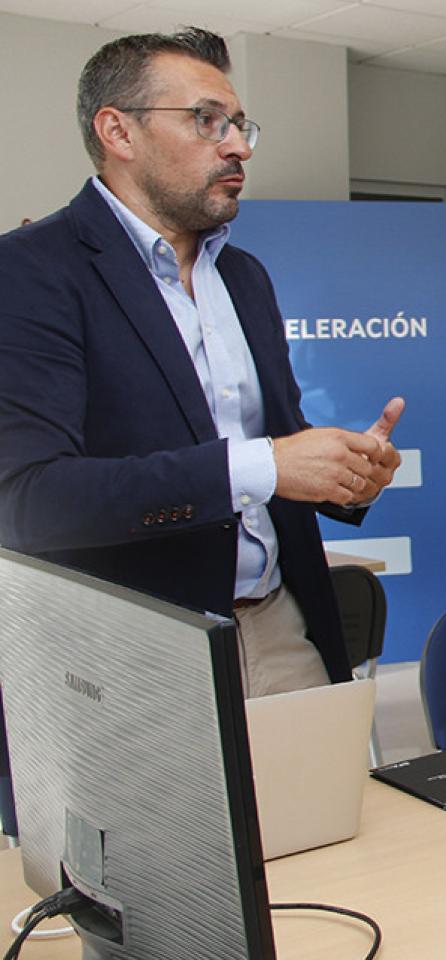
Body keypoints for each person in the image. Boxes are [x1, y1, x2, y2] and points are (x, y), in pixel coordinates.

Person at [0, 27, 404, 699]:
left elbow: (280, 444)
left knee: (318, 807)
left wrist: (344, 474)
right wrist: (264, 464)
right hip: (129, 659)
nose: (238, 144)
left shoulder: (244, 277)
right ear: (117, 132)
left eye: (241, 125)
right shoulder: (31, 272)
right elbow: (29, 502)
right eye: (206, 120)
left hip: (280, 627)